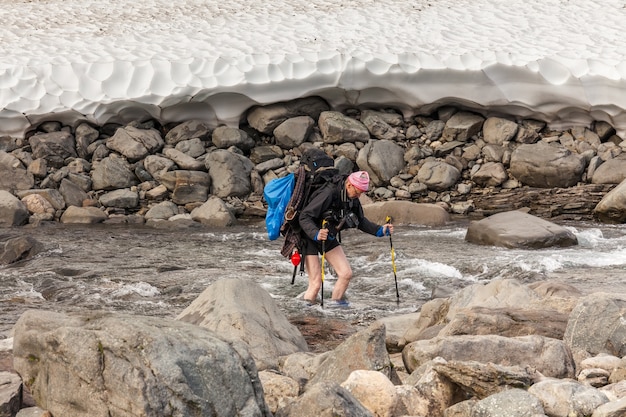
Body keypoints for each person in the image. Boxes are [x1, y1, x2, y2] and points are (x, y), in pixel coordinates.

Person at [298, 170, 394, 306]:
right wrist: (316, 233)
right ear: (349, 185)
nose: (359, 195)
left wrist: (380, 230)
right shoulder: (328, 193)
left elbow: (360, 221)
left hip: (328, 236)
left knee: (346, 274)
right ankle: (305, 320)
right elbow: (304, 217)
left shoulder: (352, 199)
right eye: (358, 191)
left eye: (362, 192)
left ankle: (336, 308)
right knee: (316, 283)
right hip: (308, 237)